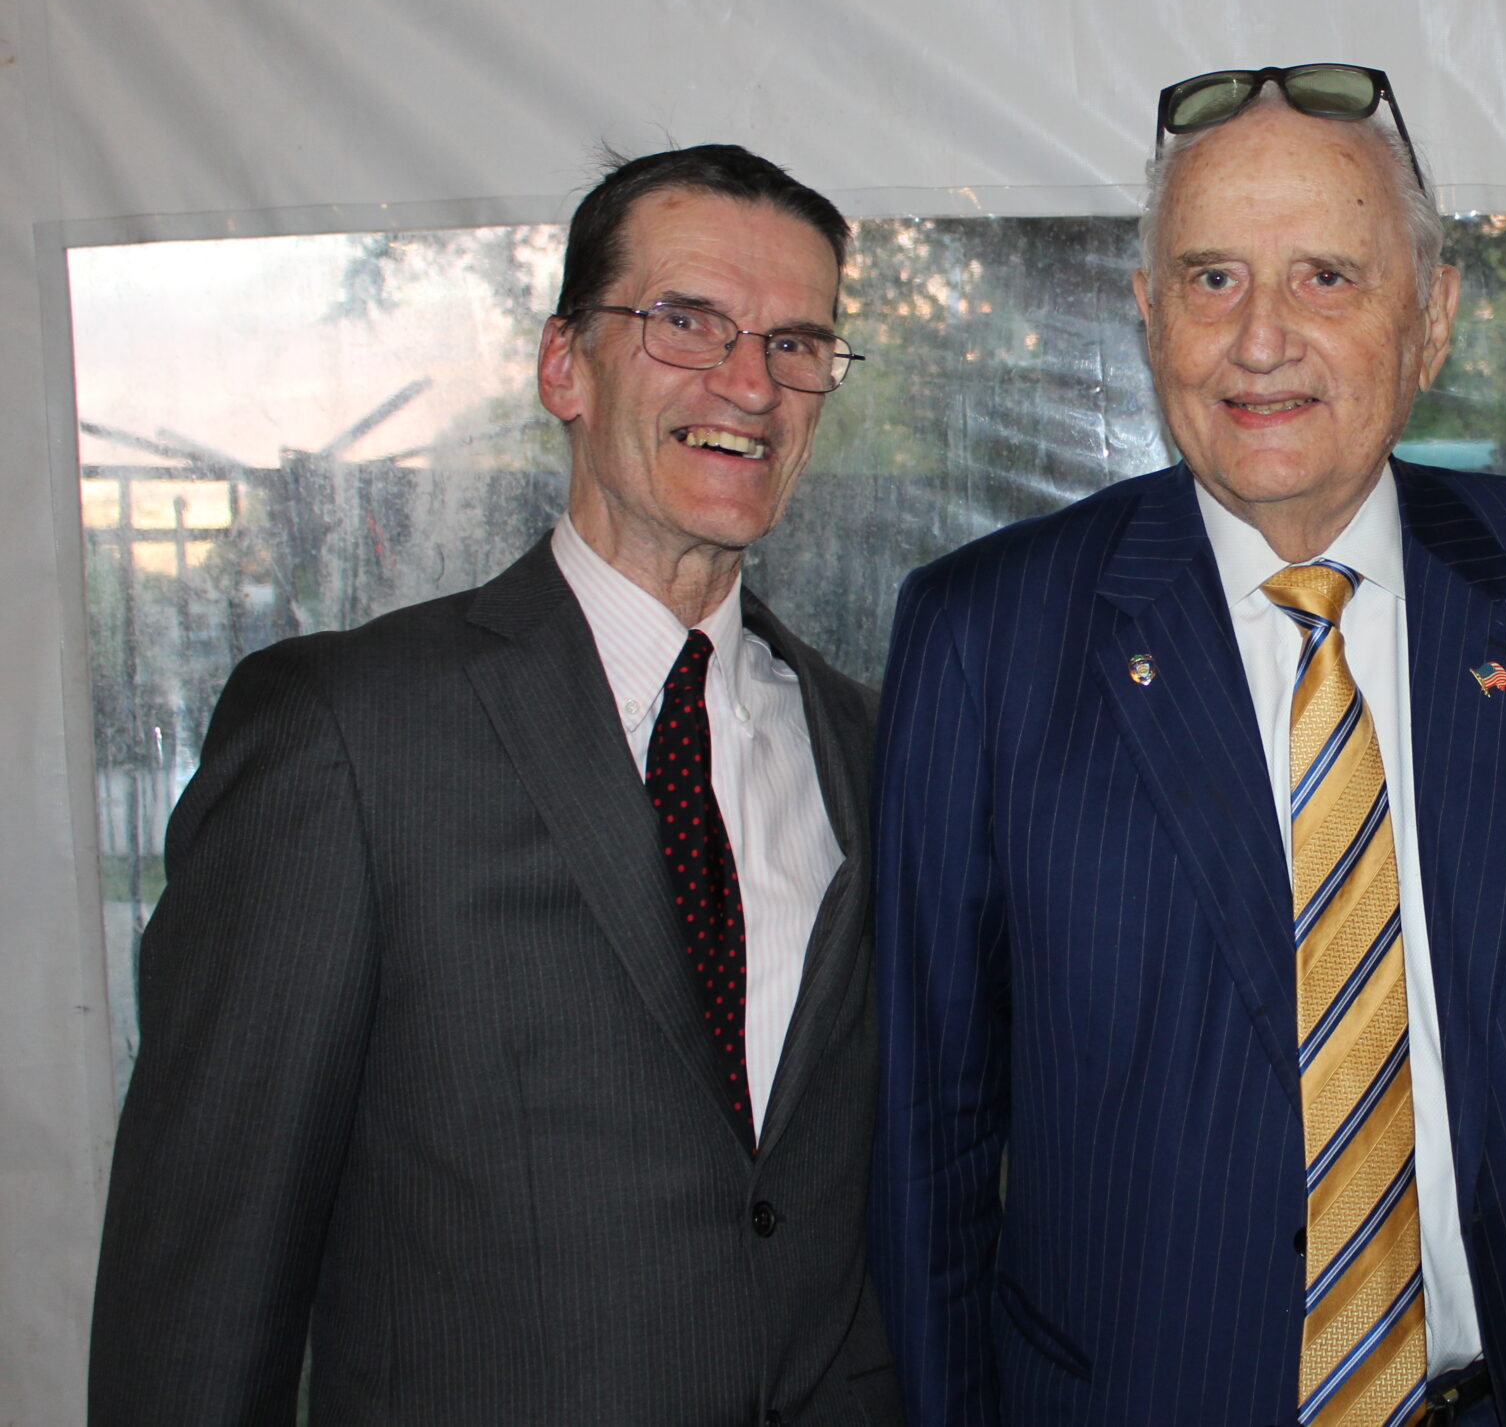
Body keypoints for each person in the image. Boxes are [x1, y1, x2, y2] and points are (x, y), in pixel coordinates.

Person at [870, 64, 1506, 1427]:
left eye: (1328, 279)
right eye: (1213, 279)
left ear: (1433, 319)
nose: (1262, 340)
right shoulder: (983, 638)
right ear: (1148, 315)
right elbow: (928, 1139)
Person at [91, 145, 903, 1426]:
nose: (748, 382)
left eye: (795, 343)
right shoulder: (348, 735)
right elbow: (205, 1270)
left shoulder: (870, 747)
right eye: (686, 321)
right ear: (563, 366)